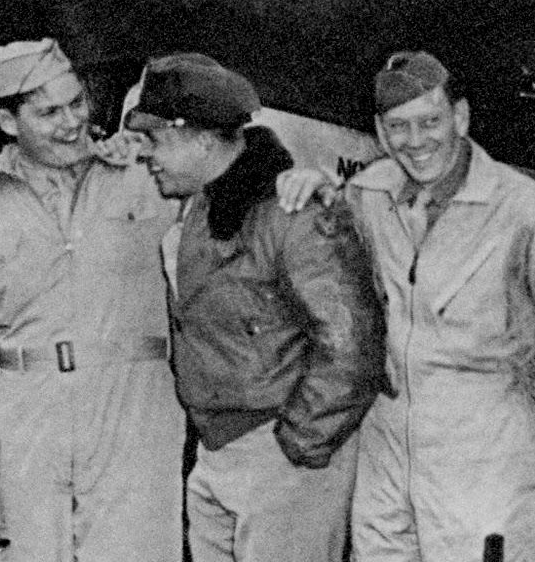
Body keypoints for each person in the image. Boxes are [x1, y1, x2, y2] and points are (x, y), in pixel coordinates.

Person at [0, 39, 185, 561]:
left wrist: (303, 179)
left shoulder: (147, 175)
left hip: (134, 420)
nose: (71, 123)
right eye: (48, 112)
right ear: (7, 121)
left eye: (76, 103)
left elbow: (229, 180)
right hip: (27, 428)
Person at [128, 52, 384, 562]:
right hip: (217, 451)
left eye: (155, 139)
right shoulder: (200, 207)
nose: (145, 154)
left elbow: (352, 344)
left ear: (201, 139)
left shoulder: (294, 215)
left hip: (283, 454)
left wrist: (298, 444)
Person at [342, 51, 535, 562]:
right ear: (379, 129)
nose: (415, 142)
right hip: (386, 440)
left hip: (485, 451)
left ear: (460, 116)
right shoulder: (366, 195)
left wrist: (504, 405)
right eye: (398, 127)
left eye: (430, 121)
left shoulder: (528, 209)